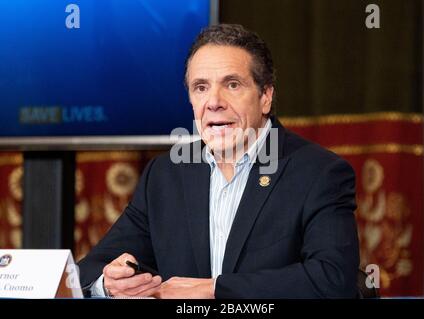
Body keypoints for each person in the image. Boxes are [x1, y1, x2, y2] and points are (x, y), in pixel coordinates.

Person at [78, 24, 360, 298]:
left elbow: (333, 279)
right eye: (200, 87)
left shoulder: (319, 173)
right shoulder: (165, 175)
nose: (214, 102)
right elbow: (88, 269)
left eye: (232, 84)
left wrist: (214, 289)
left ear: (265, 97)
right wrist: (110, 283)